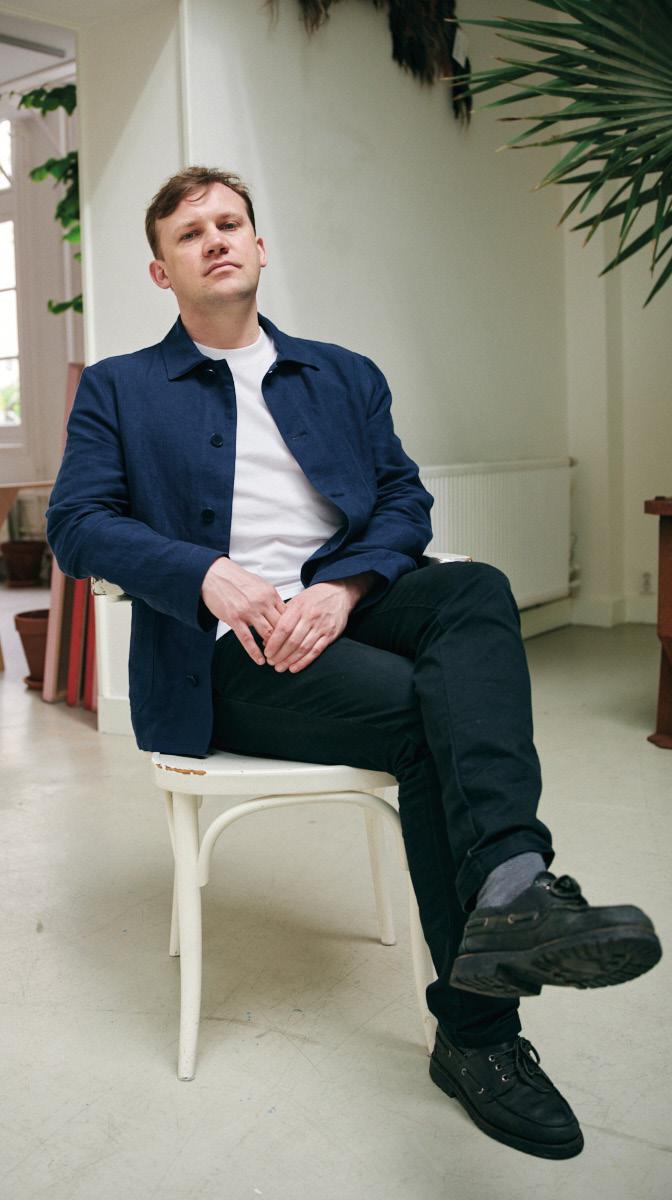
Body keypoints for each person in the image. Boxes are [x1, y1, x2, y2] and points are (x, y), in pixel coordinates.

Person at [46, 166, 661, 1161]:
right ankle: (478, 1038)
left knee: (475, 587)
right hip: (226, 654)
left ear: (260, 244)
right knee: (423, 713)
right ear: (161, 272)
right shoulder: (120, 390)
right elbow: (76, 526)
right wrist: (206, 574)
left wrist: (342, 590)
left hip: (346, 607)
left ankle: (512, 883)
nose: (216, 239)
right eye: (190, 233)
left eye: (231, 222)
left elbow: (403, 500)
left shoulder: (342, 373)